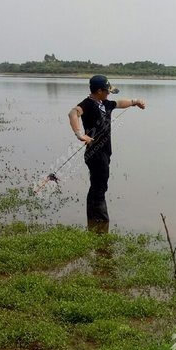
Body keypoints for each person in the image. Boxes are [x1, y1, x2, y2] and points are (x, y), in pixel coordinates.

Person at [68, 75, 146, 232]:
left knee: (97, 185)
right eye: (107, 91)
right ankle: (101, 223)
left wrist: (134, 102)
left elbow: (119, 103)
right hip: (95, 153)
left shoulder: (104, 103)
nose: (109, 94)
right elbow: (72, 114)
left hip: (105, 152)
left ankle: (93, 218)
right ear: (98, 91)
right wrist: (79, 134)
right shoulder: (88, 104)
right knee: (100, 186)